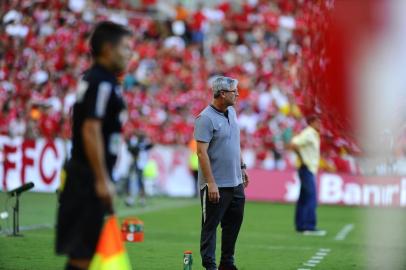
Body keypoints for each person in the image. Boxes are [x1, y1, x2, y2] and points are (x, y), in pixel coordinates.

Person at [56, 21, 132, 270]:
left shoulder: (100, 80)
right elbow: (90, 128)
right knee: (81, 255)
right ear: (108, 49)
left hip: (87, 176)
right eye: (125, 48)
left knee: (85, 255)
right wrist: (101, 179)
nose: (129, 54)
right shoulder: (101, 82)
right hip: (87, 178)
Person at [194, 76, 249, 270]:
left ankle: (227, 262)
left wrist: (242, 166)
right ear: (222, 93)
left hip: (235, 183)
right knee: (210, 227)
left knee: (233, 225)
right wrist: (211, 183)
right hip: (216, 185)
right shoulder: (205, 118)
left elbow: (235, 142)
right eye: (235, 91)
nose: (238, 94)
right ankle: (210, 266)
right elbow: (201, 153)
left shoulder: (232, 112)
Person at [289, 115, 326, 236]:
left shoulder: (312, 134)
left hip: (307, 169)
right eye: (318, 122)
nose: (320, 124)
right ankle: (309, 226)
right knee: (311, 198)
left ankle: (301, 226)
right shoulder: (309, 133)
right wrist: (302, 158)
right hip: (306, 168)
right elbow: (294, 144)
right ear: (312, 122)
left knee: (304, 198)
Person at [126, 132, 154, 206]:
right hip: (134, 162)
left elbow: (150, 146)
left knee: (139, 181)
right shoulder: (134, 142)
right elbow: (129, 148)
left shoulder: (143, 143)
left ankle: (141, 198)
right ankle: (130, 198)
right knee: (131, 180)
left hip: (140, 164)